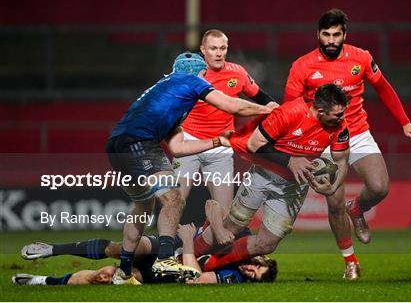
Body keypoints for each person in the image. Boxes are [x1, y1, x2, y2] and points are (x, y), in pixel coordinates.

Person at [105, 52, 272, 284]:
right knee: (174, 199)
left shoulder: (169, 93)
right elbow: (231, 105)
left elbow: (178, 146)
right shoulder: (189, 80)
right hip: (139, 143)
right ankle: (165, 258)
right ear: (198, 73)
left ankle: (124, 272)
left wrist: (217, 141)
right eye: (206, 76)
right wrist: (268, 109)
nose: (207, 81)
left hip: (117, 145)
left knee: (143, 206)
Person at [283, 8, 411, 279]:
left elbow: (384, 88)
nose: (331, 40)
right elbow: (289, 107)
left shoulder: (362, 58)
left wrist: (405, 122)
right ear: (318, 35)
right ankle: (350, 261)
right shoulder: (302, 65)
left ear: (345, 35)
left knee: (380, 187)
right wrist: (297, 146)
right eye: (326, 34)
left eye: (336, 34)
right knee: (333, 201)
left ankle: (357, 209)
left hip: (356, 132)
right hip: (320, 139)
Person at [189, 83, 351, 273]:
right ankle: (186, 256)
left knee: (267, 244)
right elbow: (254, 144)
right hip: (262, 175)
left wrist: (333, 187)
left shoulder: (340, 126)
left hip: (293, 187)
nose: (342, 118)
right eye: (338, 114)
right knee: (230, 228)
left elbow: (341, 161)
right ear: (321, 111)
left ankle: (208, 265)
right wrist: (290, 161)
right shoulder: (289, 113)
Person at [16, 200, 278, 285]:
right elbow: (213, 205)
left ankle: (40, 281)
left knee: (106, 275)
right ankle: (51, 249)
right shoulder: (240, 240)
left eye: (254, 276)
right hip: (168, 247)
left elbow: (194, 278)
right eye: (256, 267)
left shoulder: (233, 275)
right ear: (261, 258)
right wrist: (215, 228)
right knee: (122, 247)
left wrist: (188, 243)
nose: (250, 270)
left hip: (165, 272)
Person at [174, 29, 278, 211]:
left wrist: (277, 109)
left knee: (224, 211)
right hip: (189, 141)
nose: (219, 53)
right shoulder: (190, 73)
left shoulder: (237, 73)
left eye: (223, 48)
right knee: (175, 203)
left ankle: (204, 239)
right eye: (213, 48)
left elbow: (260, 96)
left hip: (221, 146)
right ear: (203, 50)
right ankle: (167, 239)